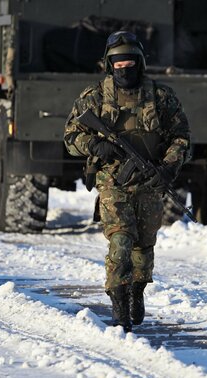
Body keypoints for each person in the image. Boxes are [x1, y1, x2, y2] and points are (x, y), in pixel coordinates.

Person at [64, 31, 192, 332]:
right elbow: (71, 137)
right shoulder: (94, 97)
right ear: (109, 65)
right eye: (117, 64)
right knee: (120, 240)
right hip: (112, 182)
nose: (124, 69)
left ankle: (137, 290)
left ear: (140, 63)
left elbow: (181, 137)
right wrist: (96, 146)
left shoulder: (160, 97)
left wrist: (167, 168)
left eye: (129, 62)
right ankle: (118, 300)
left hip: (149, 181)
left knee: (144, 247)